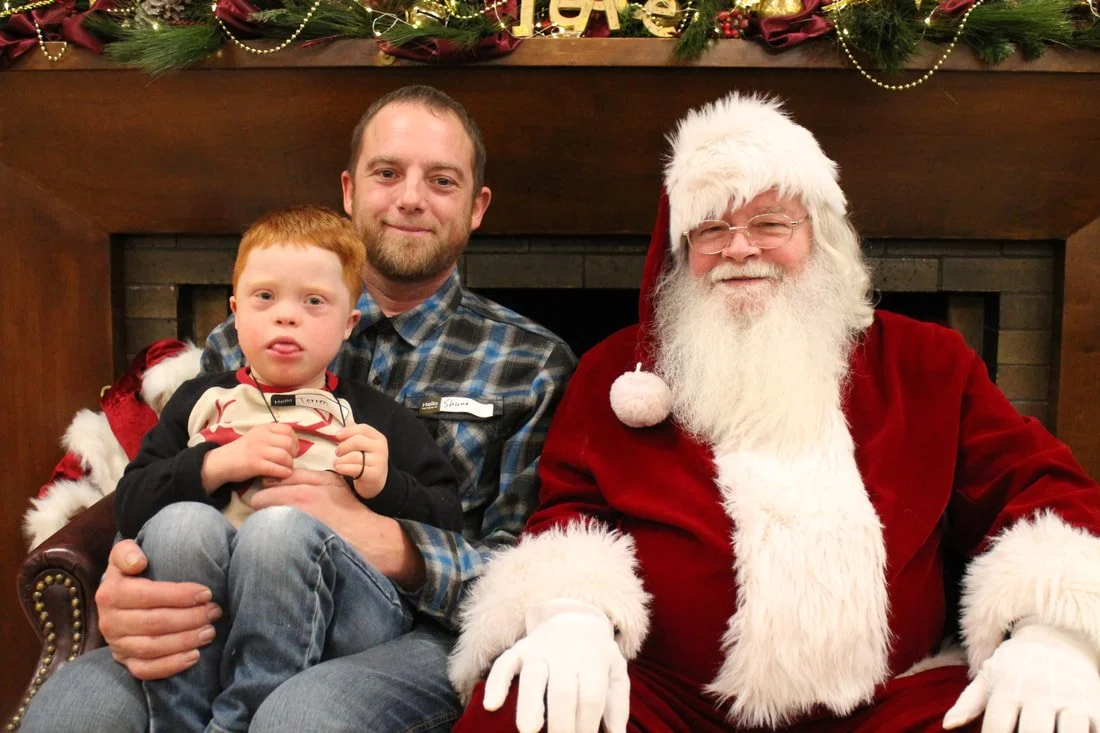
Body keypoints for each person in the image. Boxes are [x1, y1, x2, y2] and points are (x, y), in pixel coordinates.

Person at [447, 92, 1100, 733]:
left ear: (818, 234)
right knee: (522, 710)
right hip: (670, 698)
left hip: (891, 702)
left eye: (770, 222)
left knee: (1041, 711)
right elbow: (569, 514)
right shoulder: (618, 372)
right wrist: (570, 615)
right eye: (712, 228)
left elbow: (1039, 488)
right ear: (682, 252)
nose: (740, 248)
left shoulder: (927, 361)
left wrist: (1053, 629)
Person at [21, 85, 576, 733]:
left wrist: (387, 538)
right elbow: (170, 468)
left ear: (477, 206)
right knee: (74, 709)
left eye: (442, 180)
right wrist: (126, 573)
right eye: (387, 173)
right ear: (349, 190)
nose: (410, 197)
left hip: (411, 630)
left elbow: (532, 564)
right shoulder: (241, 343)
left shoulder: (532, 361)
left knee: (298, 714)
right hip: (227, 602)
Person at [110, 204, 461, 732]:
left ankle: (239, 722)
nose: (286, 315)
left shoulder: (372, 415)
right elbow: (131, 501)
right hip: (214, 605)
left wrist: (385, 485)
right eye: (265, 297)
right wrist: (215, 464)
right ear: (236, 312)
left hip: (340, 613)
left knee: (277, 529)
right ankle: (180, 722)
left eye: (313, 302)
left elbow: (447, 515)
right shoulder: (201, 399)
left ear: (347, 324)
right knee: (180, 525)